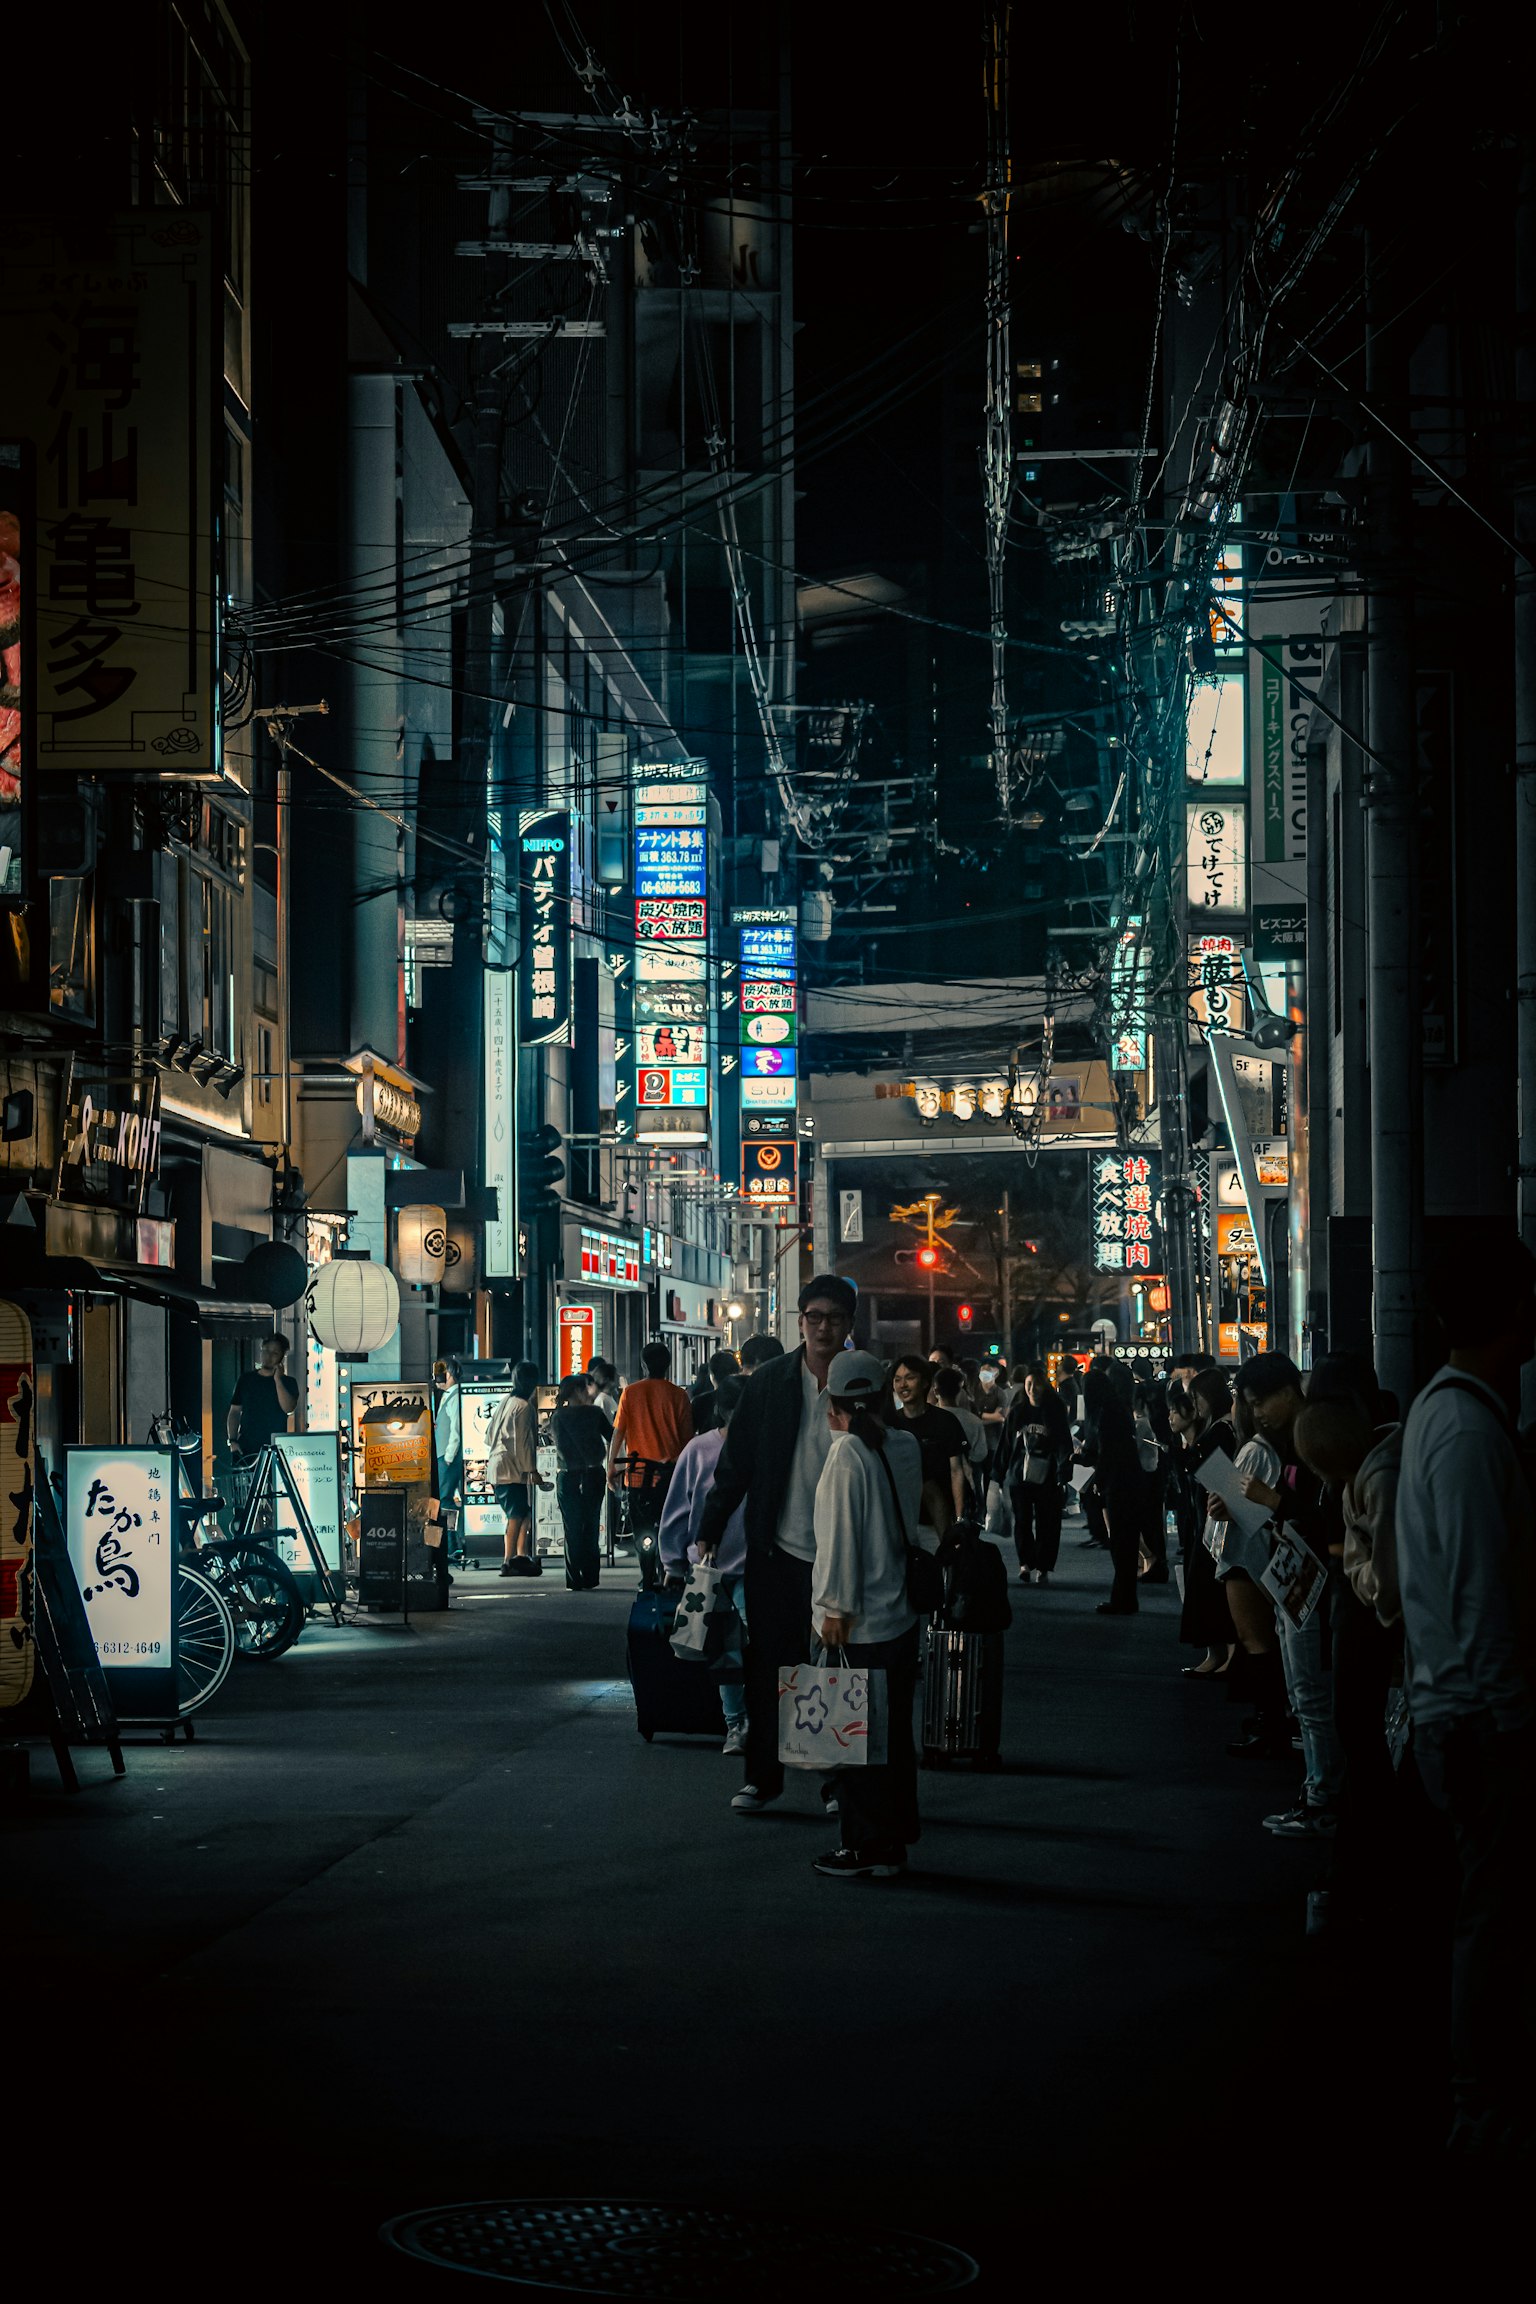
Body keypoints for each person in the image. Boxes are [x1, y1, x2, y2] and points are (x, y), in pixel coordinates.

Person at [1395, 1228, 1536, 2155]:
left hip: (1452, 1713)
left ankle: (1480, 2096)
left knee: (1489, 1915)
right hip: (1479, 1721)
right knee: (1496, 1920)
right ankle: (1481, 2106)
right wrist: (1517, 1725)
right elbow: (1484, 1600)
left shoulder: (1444, 1416)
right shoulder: (1469, 1433)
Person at [696, 1274, 857, 1815]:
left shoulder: (862, 1381)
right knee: (769, 1667)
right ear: (800, 1320)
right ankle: (763, 1778)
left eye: (834, 1317)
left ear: (848, 1324)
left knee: (838, 1669)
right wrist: (709, 1529)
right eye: (814, 1316)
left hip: (845, 1552)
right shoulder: (770, 1382)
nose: (823, 1326)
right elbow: (735, 1463)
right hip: (779, 1548)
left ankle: (839, 1783)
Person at [810, 1349, 923, 1879]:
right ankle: (894, 1839)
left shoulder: (846, 1455)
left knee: (853, 1743)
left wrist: (833, 1608)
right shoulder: (904, 1445)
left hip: (857, 1624)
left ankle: (865, 1848)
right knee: (894, 1738)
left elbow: (838, 1541)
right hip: (899, 1614)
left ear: (833, 1406)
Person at [1232, 1351, 1341, 1781]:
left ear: (1287, 1391)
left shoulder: (1315, 1438)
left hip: (1315, 1582)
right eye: (1251, 1404)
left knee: (1313, 1698)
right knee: (1304, 1697)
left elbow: (1324, 1516)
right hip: (1296, 1580)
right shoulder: (1288, 1441)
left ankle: (1323, 1793)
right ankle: (1318, 1789)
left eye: (1261, 1401)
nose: (1257, 1413)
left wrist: (1270, 1500)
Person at [658, 1373, 750, 1755]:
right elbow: (679, 1510)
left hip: (743, 1565)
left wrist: (673, 1561)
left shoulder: (700, 1449)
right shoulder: (700, 1450)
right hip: (715, 1568)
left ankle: (742, 1725)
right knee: (729, 1649)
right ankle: (737, 1723)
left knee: (738, 1649)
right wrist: (674, 1561)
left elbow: (677, 1509)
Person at [606, 1341, 694, 1557]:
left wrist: (611, 1467)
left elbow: (618, 1433)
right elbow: (687, 1440)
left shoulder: (630, 1393)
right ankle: (667, 1570)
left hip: (638, 1475)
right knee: (670, 1526)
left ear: (644, 1365)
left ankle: (646, 1576)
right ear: (669, 1365)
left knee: (641, 1528)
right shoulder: (679, 1395)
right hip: (671, 1476)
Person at [1178, 1366, 1236, 1676]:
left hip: (1215, 1515)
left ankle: (1222, 1654)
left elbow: (1219, 1474)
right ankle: (1216, 1655)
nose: (1194, 1404)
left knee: (1207, 1585)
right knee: (1203, 1585)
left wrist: (1188, 1459)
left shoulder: (1222, 1430)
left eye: (1196, 1396)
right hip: (1207, 1514)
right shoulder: (1218, 1428)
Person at [1078, 1363, 1143, 1615]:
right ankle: (1125, 1597)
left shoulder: (1106, 1412)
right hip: (1127, 1480)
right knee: (1123, 1542)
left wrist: (1097, 1479)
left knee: (1121, 1542)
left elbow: (1106, 1452)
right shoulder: (1117, 1407)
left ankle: (1124, 1599)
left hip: (1119, 1483)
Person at [1002, 1363, 1073, 1585]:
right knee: (1022, 1520)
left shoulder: (1055, 1410)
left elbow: (1064, 1441)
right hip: (1018, 1473)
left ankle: (1043, 1567)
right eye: (1029, 1385)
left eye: (1037, 1384)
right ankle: (1025, 1563)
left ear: (1046, 1386)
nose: (1033, 1389)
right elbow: (1006, 1444)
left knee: (1048, 1522)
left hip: (1048, 1474)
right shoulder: (1017, 1412)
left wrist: (1064, 1471)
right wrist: (997, 1474)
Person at [486, 1361, 549, 1576]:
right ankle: (508, 1561)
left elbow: (489, 1434)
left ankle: (521, 1556)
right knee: (516, 1514)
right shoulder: (523, 1406)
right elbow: (522, 1442)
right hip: (510, 1468)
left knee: (522, 1513)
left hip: (500, 1464)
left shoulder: (508, 1401)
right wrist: (532, 1469)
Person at [550, 1370, 611, 1590]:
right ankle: (591, 1577)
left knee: (572, 1527)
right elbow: (612, 1436)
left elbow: (561, 1447)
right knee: (591, 1524)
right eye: (584, 1388)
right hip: (594, 1473)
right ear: (577, 1390)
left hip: (568, 1475)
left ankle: (574, 1578)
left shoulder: (557, 1417)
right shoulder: (595, 1413)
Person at [226, 1332, 297, 1460]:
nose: (268, 1356)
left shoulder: (289, 1382)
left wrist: (278, 1380)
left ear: (282, 1357)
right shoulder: (246, 1379)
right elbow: (235, 1411)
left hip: (276, 1446)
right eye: (265, 1351)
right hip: (246, 1446)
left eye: (275, 1353)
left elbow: (288, 1408)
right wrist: (232, 1440)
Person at [932, 1365, 988, 1505]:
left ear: (935, 1390)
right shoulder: (973, 1421)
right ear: (959, 1390)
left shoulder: (929, 1419)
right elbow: (980, 1455)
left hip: (933, 1488)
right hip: (966, 1489)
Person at [433, 1359, 463, 1521]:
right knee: (444, 1498)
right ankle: (451, 1540)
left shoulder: (455, 1396)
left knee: (445, 1499)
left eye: (438, 1373)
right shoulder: (449, 1395)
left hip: (447, 1456)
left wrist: (448, 1457)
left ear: (448, 1374)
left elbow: (456, 1429)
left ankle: (452, 1540)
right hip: (444, 1455)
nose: (435, 1377)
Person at [690, 1348, 743, 1436]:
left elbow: (689, 1431)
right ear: (737, 1373)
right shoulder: (744, 1398)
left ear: (712, 1375)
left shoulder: (699, 1402)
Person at [588, 1356, 621, 1422]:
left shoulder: (610, 1396)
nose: (619, 1377)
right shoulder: (602, 1399)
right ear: (607, 1380)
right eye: (616, 1375)